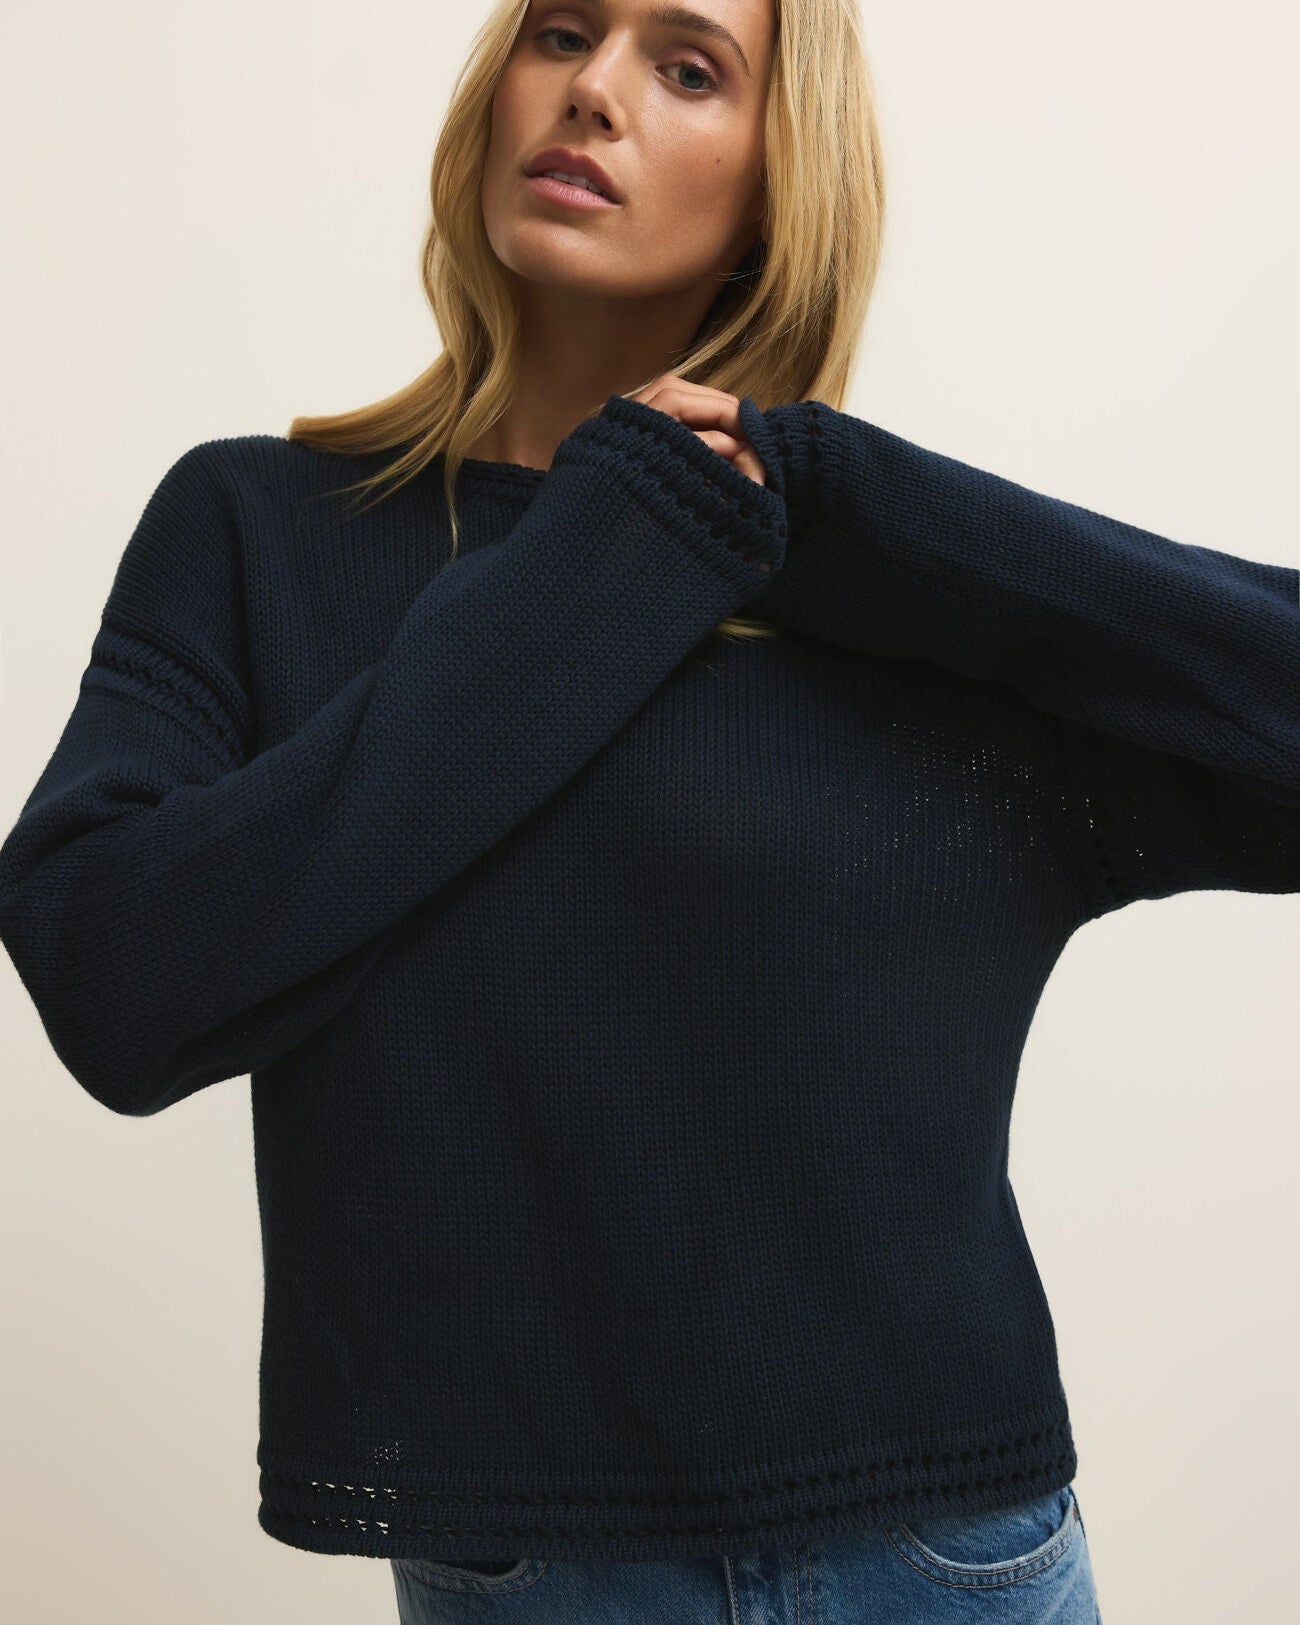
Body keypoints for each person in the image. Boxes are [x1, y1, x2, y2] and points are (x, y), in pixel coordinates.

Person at [3, 3, 1297, 1622]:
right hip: (535, 1575)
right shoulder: (261, 533)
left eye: (688, 67)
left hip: (944, 1561)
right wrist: (597, 560)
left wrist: (843, 501)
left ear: (777, 183)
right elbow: (116, 978)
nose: (595, 90)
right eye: (561, 32)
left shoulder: (892, 594)